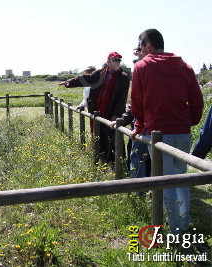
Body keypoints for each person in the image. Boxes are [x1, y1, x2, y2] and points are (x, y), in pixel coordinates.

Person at [130, 29, 204, 234]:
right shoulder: (184, 66)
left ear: (149, 46)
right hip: (182, 133)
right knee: (181, 178)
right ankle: (182, 224)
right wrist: (190, 121)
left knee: (167, 181)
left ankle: (177, 232)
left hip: (158, 134)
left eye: (140, 44)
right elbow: (197, 100)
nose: (139, 49)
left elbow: (137, 103)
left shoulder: (141, 67)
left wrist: (138, 126)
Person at [60, 52, 130, 163]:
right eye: (115, 60)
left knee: (113, 138)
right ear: (108, 61)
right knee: (99, 136)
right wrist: (70, 82)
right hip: (98, 112)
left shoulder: (123, 77)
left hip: (111, 113)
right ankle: (102, 160)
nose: (117, 62)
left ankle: (118, 163)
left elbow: (122, 99)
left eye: (119, 60)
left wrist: (116, 115)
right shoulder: (100, 73)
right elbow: (85, 79)